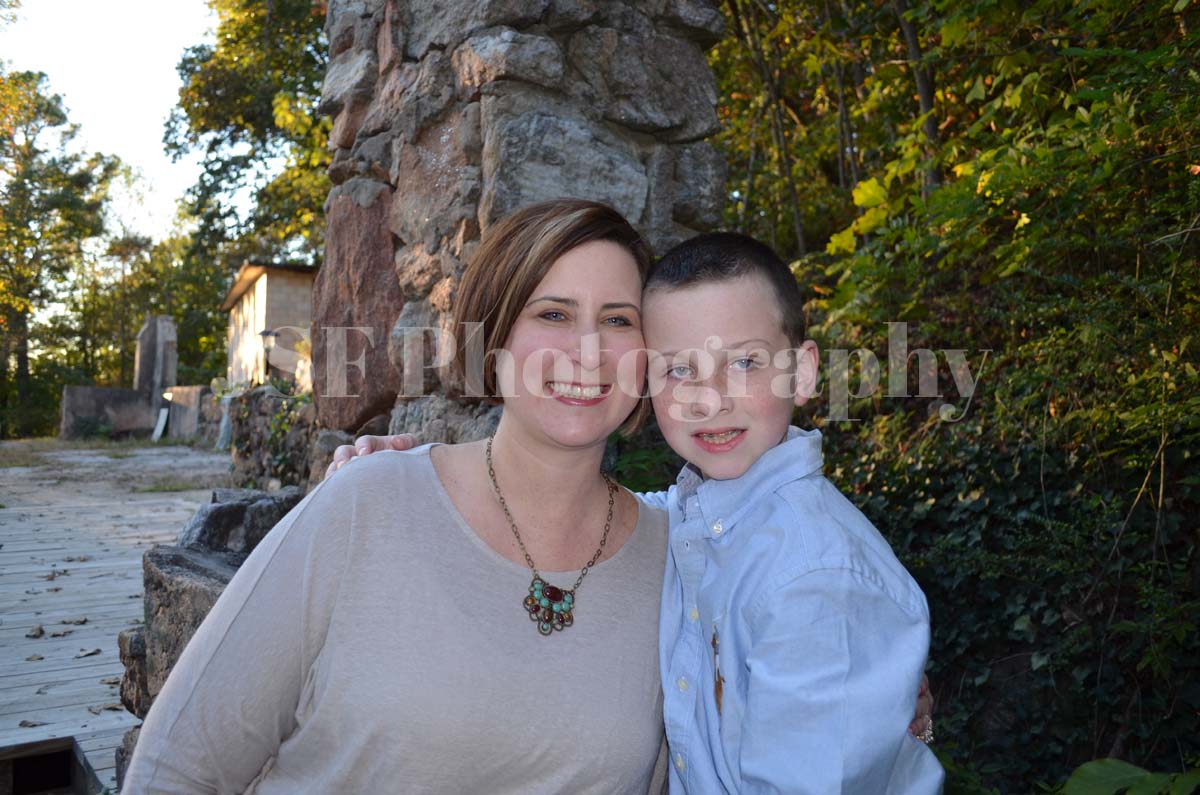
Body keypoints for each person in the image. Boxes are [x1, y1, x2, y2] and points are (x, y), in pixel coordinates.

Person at [335, 232, 942, 792]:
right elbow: (607, 516)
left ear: (803, 372)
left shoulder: (815, 577)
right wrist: (431, 472)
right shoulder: (696, 517)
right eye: (678, 369)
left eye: (744, 362)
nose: (708, 399)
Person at [122, 200, 673, 794]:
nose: (588, 350)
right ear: (492, 338)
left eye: (618, 320)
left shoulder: (678, 559)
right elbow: (175, 767)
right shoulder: (370, 503)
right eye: (554, 313)